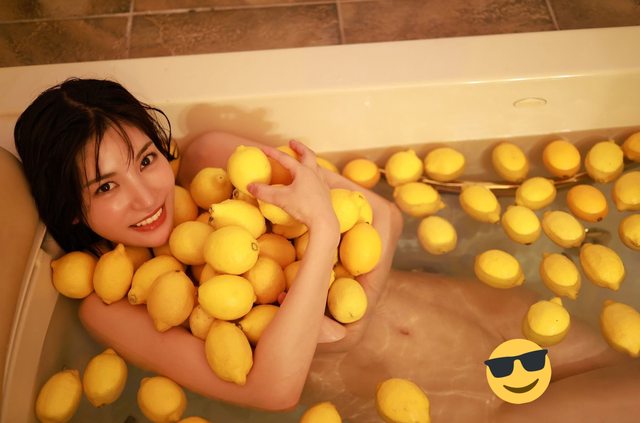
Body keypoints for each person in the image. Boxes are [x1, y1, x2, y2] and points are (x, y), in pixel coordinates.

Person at [14, 78, 639, 422]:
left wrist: (348, 314)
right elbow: (271, 391)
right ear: (72, 209)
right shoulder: (110, 307)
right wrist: (320, 244)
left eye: (146, 159)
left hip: (487, 318)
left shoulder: (217, 164)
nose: (144, 194)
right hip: (444, 403)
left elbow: (386, 217)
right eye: (105, 186)